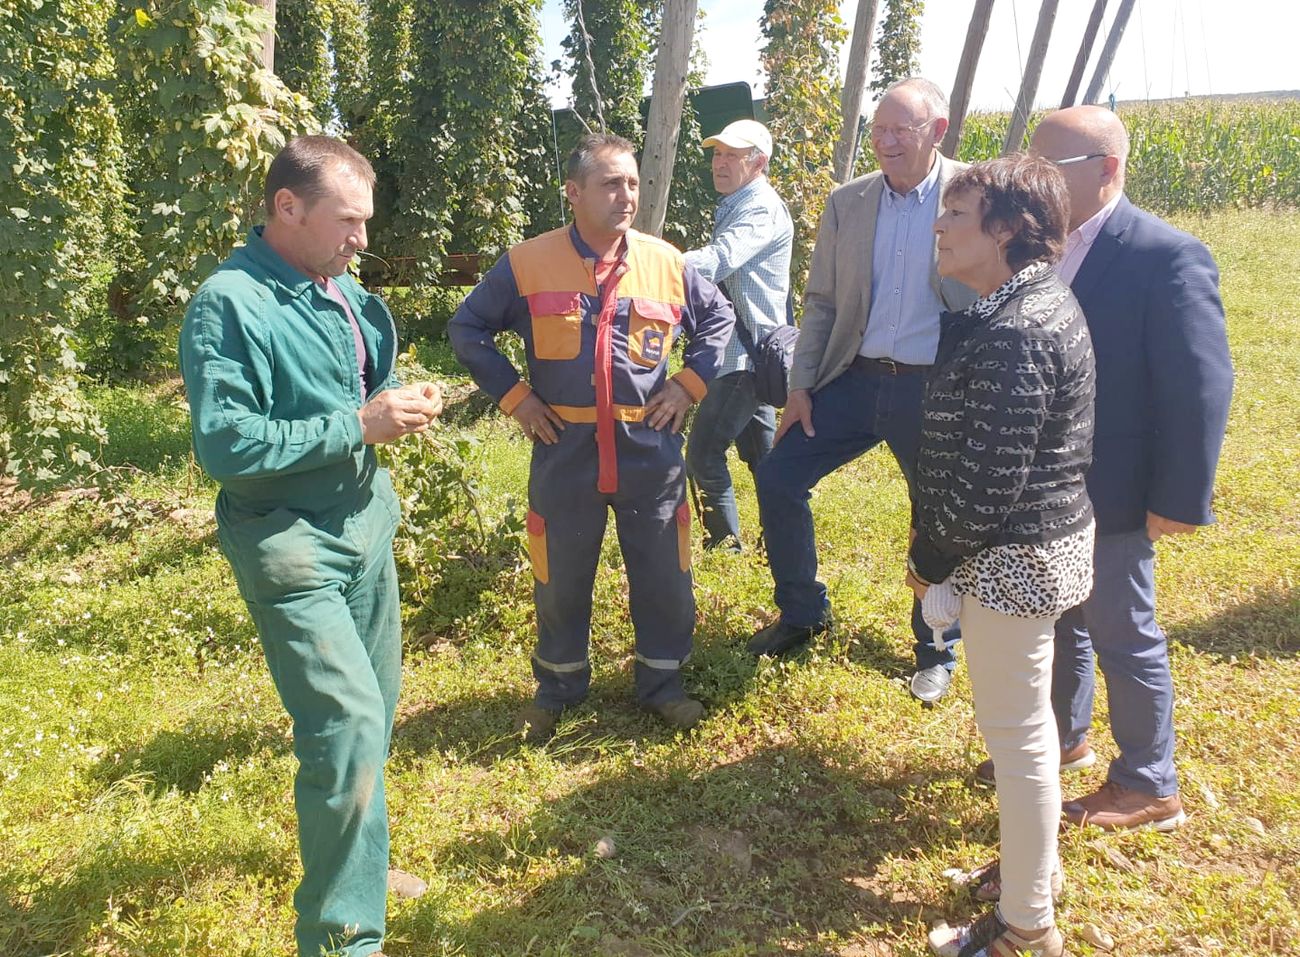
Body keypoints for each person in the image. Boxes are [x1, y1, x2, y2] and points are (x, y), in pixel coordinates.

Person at [179, 135, 442, 957]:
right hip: (290, 544)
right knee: (348, 726)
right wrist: (357, 425)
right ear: (286, 208)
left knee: (374, 720)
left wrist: (386, 406)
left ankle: (356, 862)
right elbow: (226, 444)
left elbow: (351, 390)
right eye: (349, 221)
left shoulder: (335, 289)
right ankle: (343, 938)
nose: (362, 239)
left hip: (363, 528)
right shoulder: (230, 304)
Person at [975, 105, 1230, 831]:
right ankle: (1063, 738)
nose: (1035, 182)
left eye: (1050, 169)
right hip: (1052, 483)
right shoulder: (1041, 247)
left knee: (1122, 627)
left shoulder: (1164, 254)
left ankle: (1150, 782)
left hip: (1116, 484)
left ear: (1107, 170)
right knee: (1062, 619)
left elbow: (1199, 384)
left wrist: (1182, 493)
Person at [448, 133, 734, 743]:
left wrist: (688, 384)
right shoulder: (527, 262)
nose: (625, 195)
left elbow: (719, 320)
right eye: (610, 183)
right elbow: (467, 326)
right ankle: (558, 687)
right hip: (566, 451)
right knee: (560, 576)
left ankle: (662, 684)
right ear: (573, 192)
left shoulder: (667, 262)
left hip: (648, 450)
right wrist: (516, 398)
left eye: (632, 182)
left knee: (664, 572)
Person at [909, 155, 1095, 957]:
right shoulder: (1021, 306)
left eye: (959, 212)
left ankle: (1027, 926)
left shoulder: (1021, 328)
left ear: (1010, 229)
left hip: (1013, 558)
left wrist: (930, 559)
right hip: (1028, 549)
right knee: (1025, 735)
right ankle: (1033, 870)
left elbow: (987, 487)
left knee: (1016, 739)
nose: (941, 226)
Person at [748, 77, 976, 704]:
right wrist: (800, 389)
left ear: (938, 129)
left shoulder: (975, 195)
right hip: (853, 378)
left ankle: (935, 647)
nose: (885, 140)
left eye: (901, 129)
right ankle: (802, 612)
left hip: (934, 388)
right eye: (878, 128)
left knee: (936, 513)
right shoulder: (848, 203)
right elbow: (819, 302)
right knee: (778, 476)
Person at [683, 119, 793, 551]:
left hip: (743, 360)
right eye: (717, 154)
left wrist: (655, 260)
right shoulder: (737, 203)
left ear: (759, 162)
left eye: (733, 155)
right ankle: (781, 540)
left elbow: (721, 259)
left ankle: (725, 547)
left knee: (703, 455)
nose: (720, 163)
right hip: (753, 355)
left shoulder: (759, 207)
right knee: (766, 462)